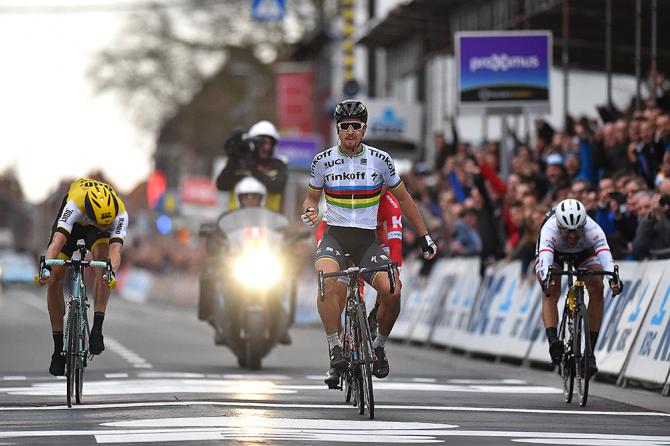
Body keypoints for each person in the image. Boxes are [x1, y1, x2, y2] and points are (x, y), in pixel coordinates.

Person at [301, 99, 437, 388]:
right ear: (337, 129)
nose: (350, 131)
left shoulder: (381, 160)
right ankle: (334, 349)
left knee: (393, 290)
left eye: (356, 126)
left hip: (366, 242)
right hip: (335, 237)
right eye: (344, 126)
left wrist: (424, 235)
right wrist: (310, 210)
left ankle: (378, 346)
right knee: (325, 280)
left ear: (364, 129)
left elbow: (404, 200)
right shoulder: (322, 161)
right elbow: (311, 198)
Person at [35, 178, 128, 376]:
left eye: (107, 225)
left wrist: (110, 272)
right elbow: (57, 242)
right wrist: (46, 269)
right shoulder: (74, 203)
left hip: (93, 229)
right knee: (55, 277)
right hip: (75, 224)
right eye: (103, 225)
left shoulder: (120, 212)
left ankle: (97, 329)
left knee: (103, 262)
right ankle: (58, 348)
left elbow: (116, 250)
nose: (106, 228)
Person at [535, 198, 622, 376]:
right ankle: (553, 342)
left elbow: (605, 255)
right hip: (555, 254)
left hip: (583, 251)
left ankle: (589, 354)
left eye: (576, 231)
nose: (572, 236)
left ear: (583, 225)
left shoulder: (592, 228)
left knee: (598, 286)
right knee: (550, 290)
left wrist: (614, 278)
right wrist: (546, 279)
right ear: (558, 226)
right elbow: (544, 260)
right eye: (567, 232)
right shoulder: (549, 229)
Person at [216, 120, 287, 212]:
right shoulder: (239, 163)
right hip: (236, 221)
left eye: (269, 143)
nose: (266, 148)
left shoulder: (278, 165)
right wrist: (233, 158)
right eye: (262, 143)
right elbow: (222, 185)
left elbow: (277, 187)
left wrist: (253, 169)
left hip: (269, 222)